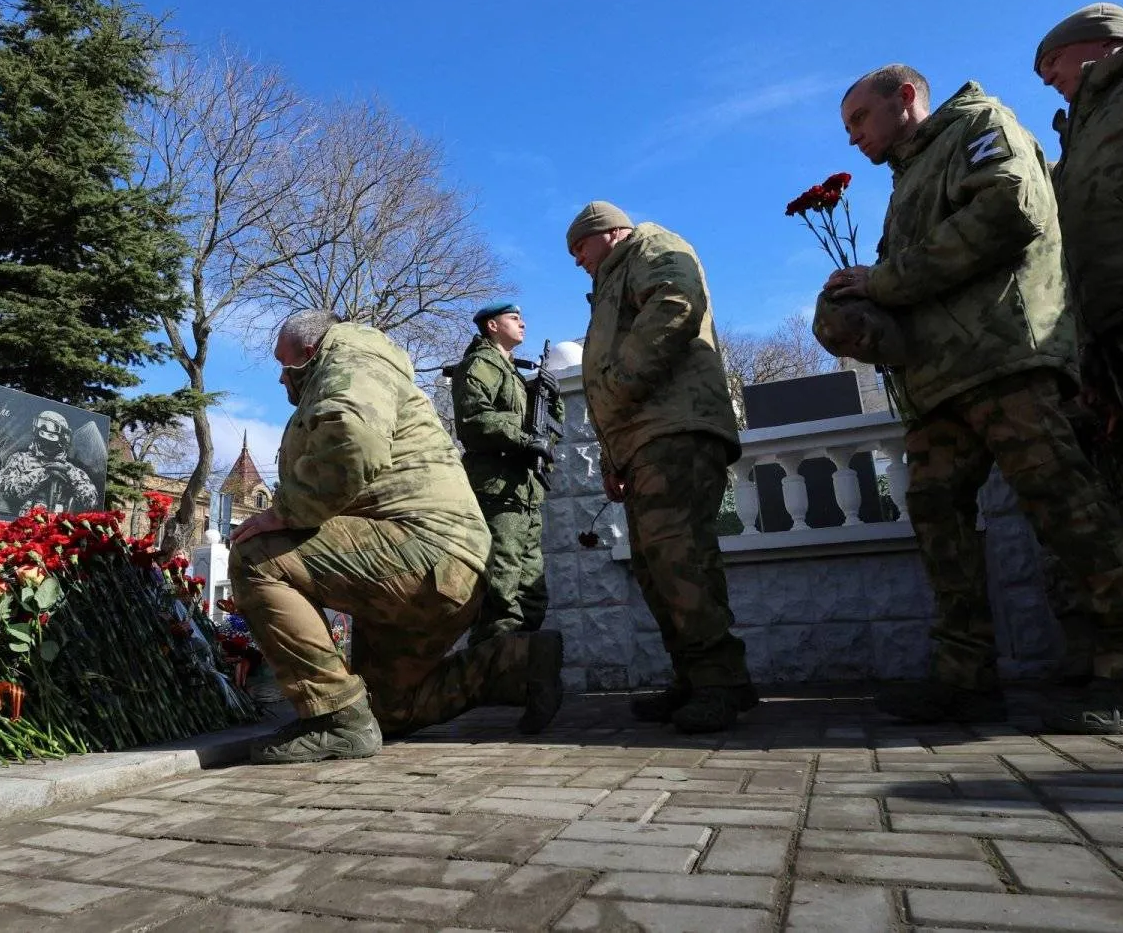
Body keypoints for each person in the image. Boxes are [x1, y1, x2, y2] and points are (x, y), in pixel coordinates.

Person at [831, 64, 1123, 733]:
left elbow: (1011, 206)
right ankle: (965, 677)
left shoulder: (981, 126)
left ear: (905, 98)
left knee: (1067, 507)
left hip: (1004, 359)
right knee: (936, 513)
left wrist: (885, 281)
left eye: (859, 120)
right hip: (942, 378)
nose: (854, 139)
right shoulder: (911, 176)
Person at [229, 309, 564, 764]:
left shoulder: (349, 358)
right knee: (388, 711)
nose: (280, 378)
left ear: (309, 352)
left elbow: (354, 441)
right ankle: (515, 665)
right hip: (438, 570)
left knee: (256, 554)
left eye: (282, 364)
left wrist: (285, 513)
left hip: (421, 552)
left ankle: (333, 720)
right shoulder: (355, 370)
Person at [567, 201, 757, 733]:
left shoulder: (650, 245)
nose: (576, 260)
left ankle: (717, 683)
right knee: (656, 568)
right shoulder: (610, 280)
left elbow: (676, 302)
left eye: (579, 246)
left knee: (680, 557)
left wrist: (621, 383)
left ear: (609, 233)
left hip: (676, 428)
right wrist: (614, 455)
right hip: (644, 438)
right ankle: (700, 679)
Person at [1034, 4, 1123, 620]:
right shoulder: (1085, 126)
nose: (1047, 80)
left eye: (1051, 64)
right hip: (1119, 328)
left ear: (1100, 43)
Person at [450, 301, 564, 646]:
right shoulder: (479, 366)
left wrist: (551, 398)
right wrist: (526, 437)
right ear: (492, 326)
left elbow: (545, 433)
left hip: (523, 491)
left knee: (530, 591)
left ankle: (519, 667)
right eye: (514, 318)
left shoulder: (512, 373)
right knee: (502, 585)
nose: (523, 323)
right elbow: (474, 422)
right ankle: (490, 669)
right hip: (497, 489)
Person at [0, 411, 98, 513]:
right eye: (42, 433)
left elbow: (91, 503)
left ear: (62, 438)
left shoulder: (71, 470)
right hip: (28, 522)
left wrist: (70, 475)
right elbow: (8, 491)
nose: (46, 439)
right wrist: (44, 473)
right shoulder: (20, 459)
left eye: (51, 436)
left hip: (60, 524)